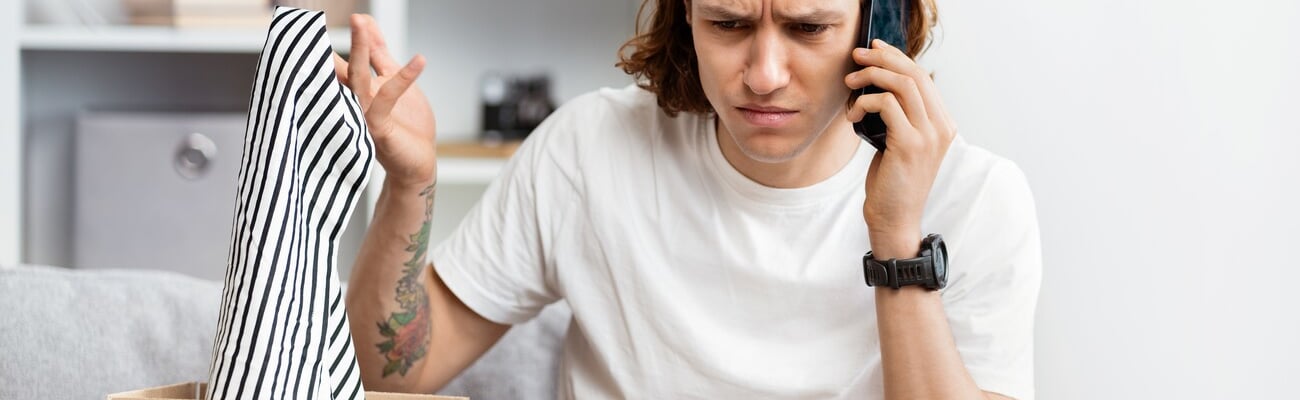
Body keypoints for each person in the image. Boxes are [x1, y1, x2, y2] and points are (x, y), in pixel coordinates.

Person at [337, 0, 1041, 398]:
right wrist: (409, 186)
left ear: (877, 30)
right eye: (729, 24)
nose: (763, 75)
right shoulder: (589, 149)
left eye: (808, 28)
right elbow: (393, 370)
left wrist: (896, 235)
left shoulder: (976, 198)